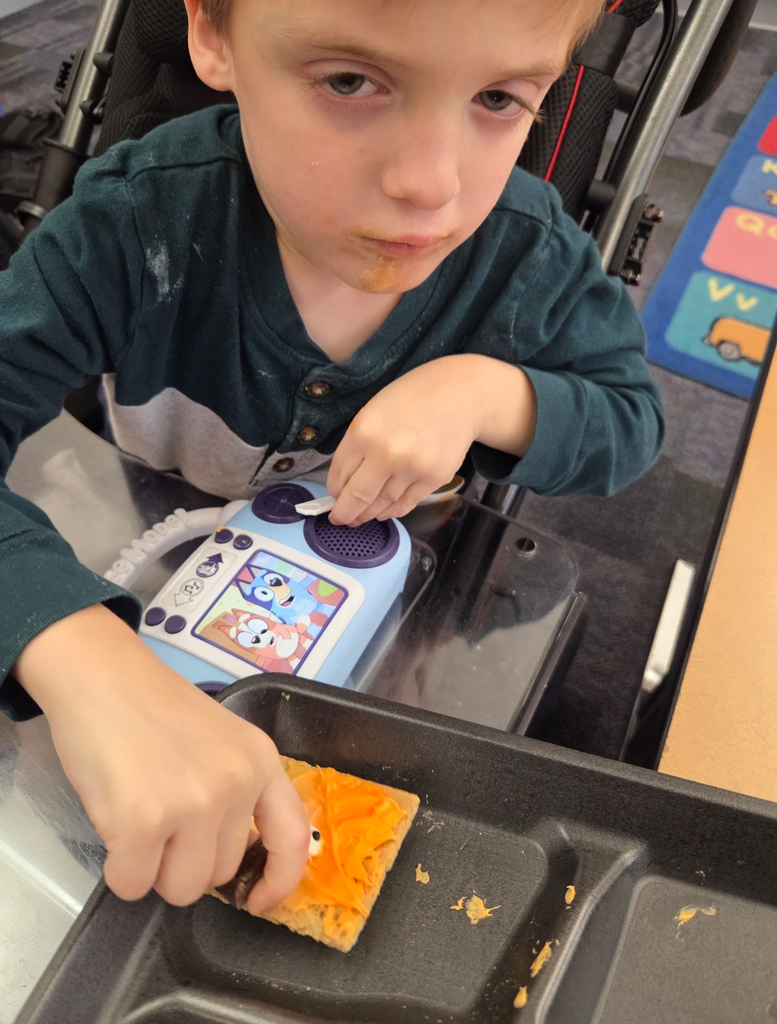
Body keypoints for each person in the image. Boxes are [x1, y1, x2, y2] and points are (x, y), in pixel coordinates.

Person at [0, 0, 664, 917]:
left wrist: (487, 393)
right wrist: (75, 649)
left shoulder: (528, 254)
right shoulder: (133, 223)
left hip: (398, 614)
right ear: (213, 36)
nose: (429, 186)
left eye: (500, 99)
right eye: (350, 82)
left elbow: (631, 420)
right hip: (149, 532)